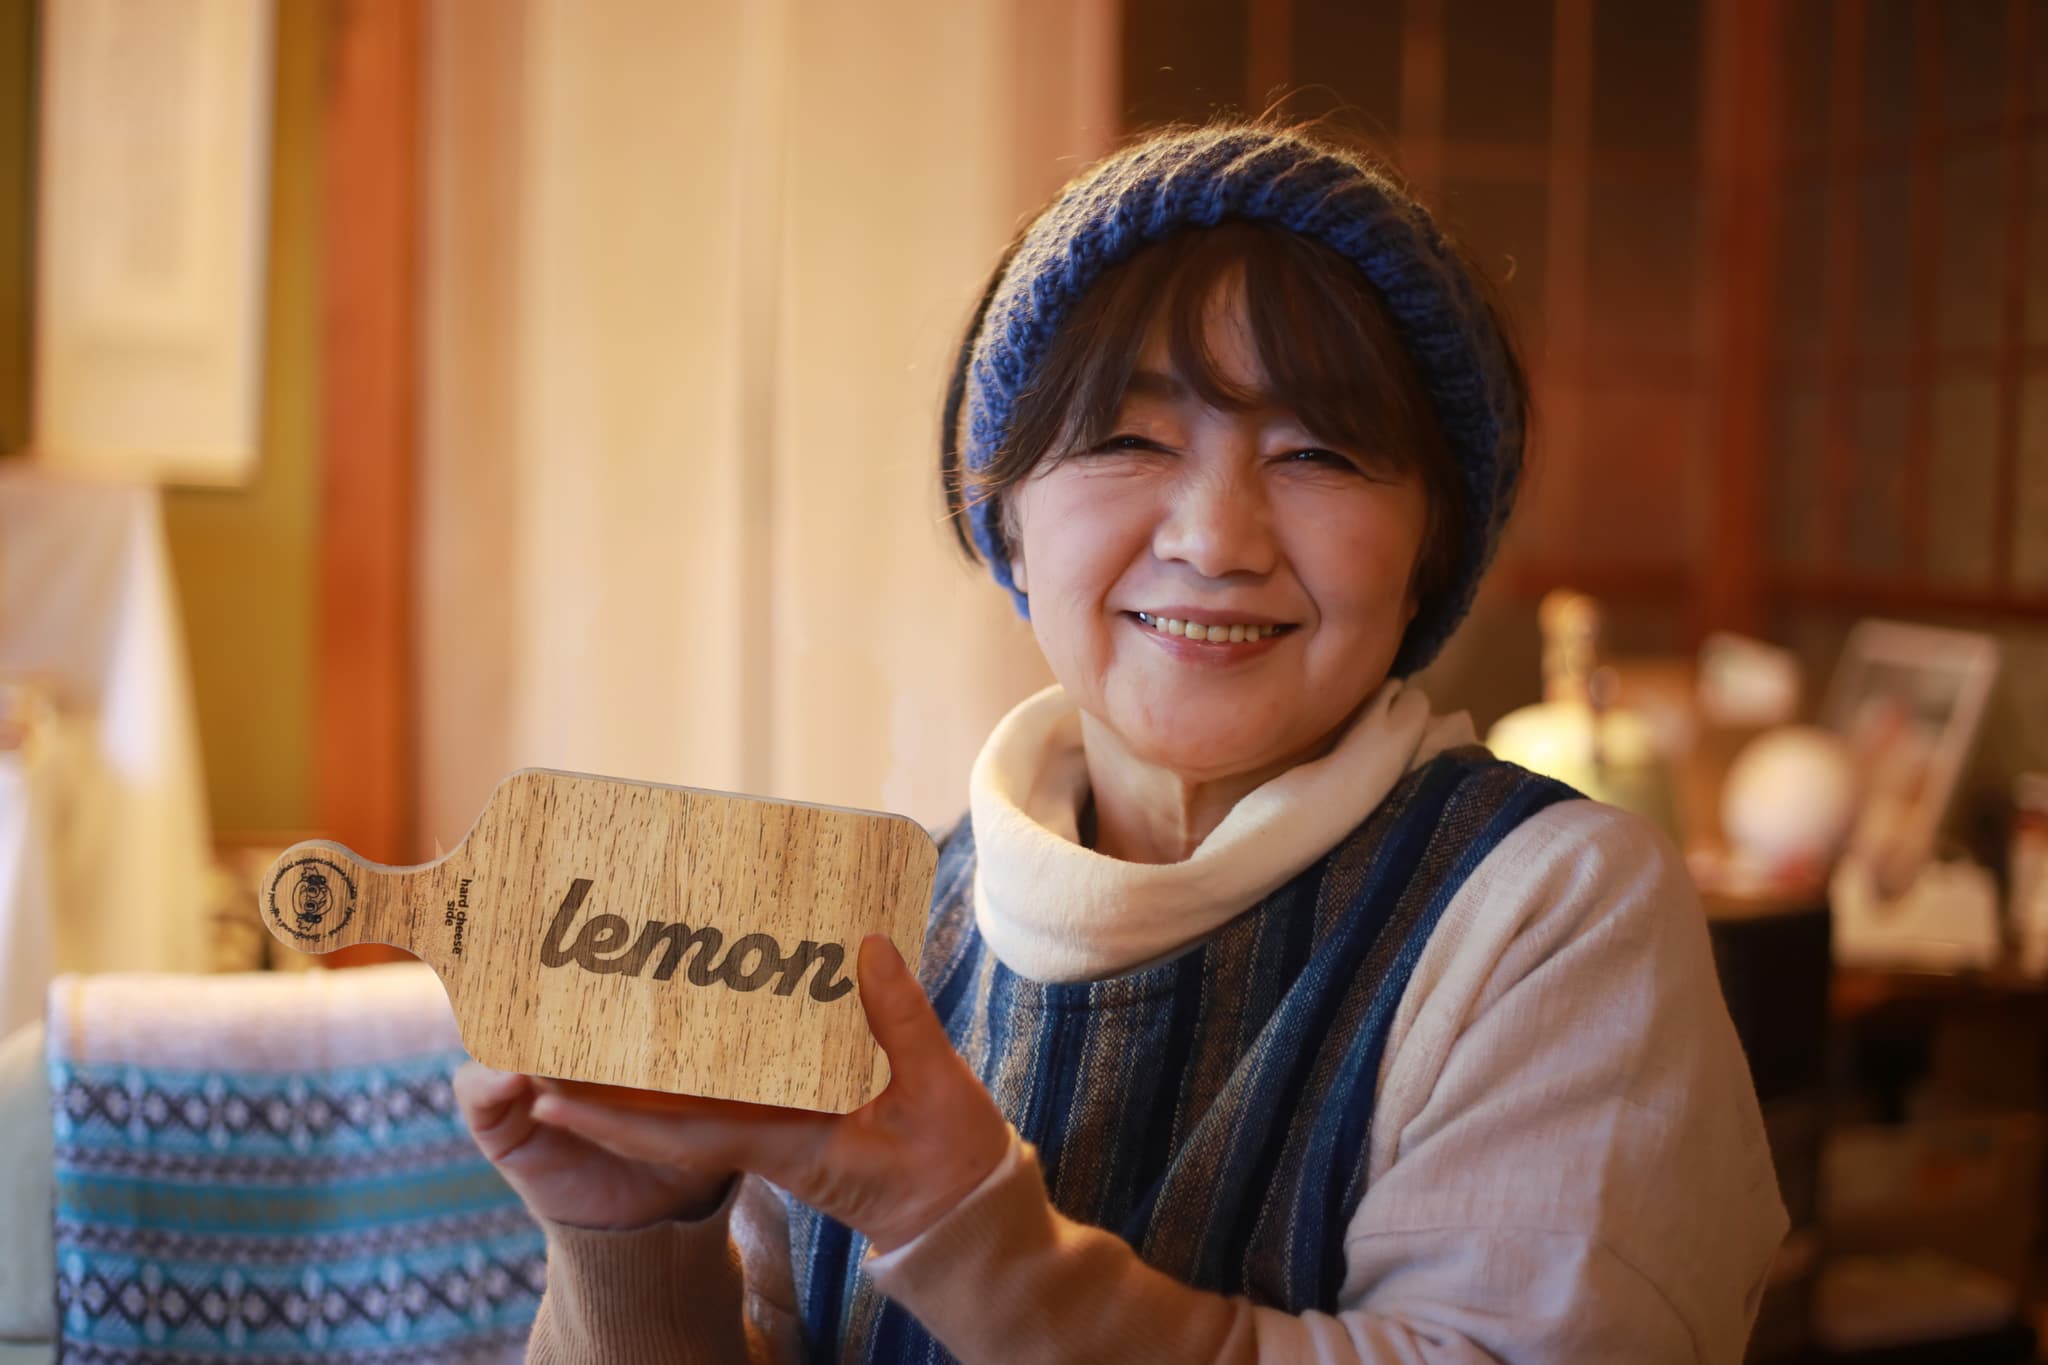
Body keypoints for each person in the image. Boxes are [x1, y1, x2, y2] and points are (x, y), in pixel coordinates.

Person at [454, 120, 1789, 1363]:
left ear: (1429, 542)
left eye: (1320, 452)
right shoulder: (885, 926)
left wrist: (967, 1224)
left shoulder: (1548, 913)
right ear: (1009, 521)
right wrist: (630, 1234)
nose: (1216, 539)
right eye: (1129, 436)